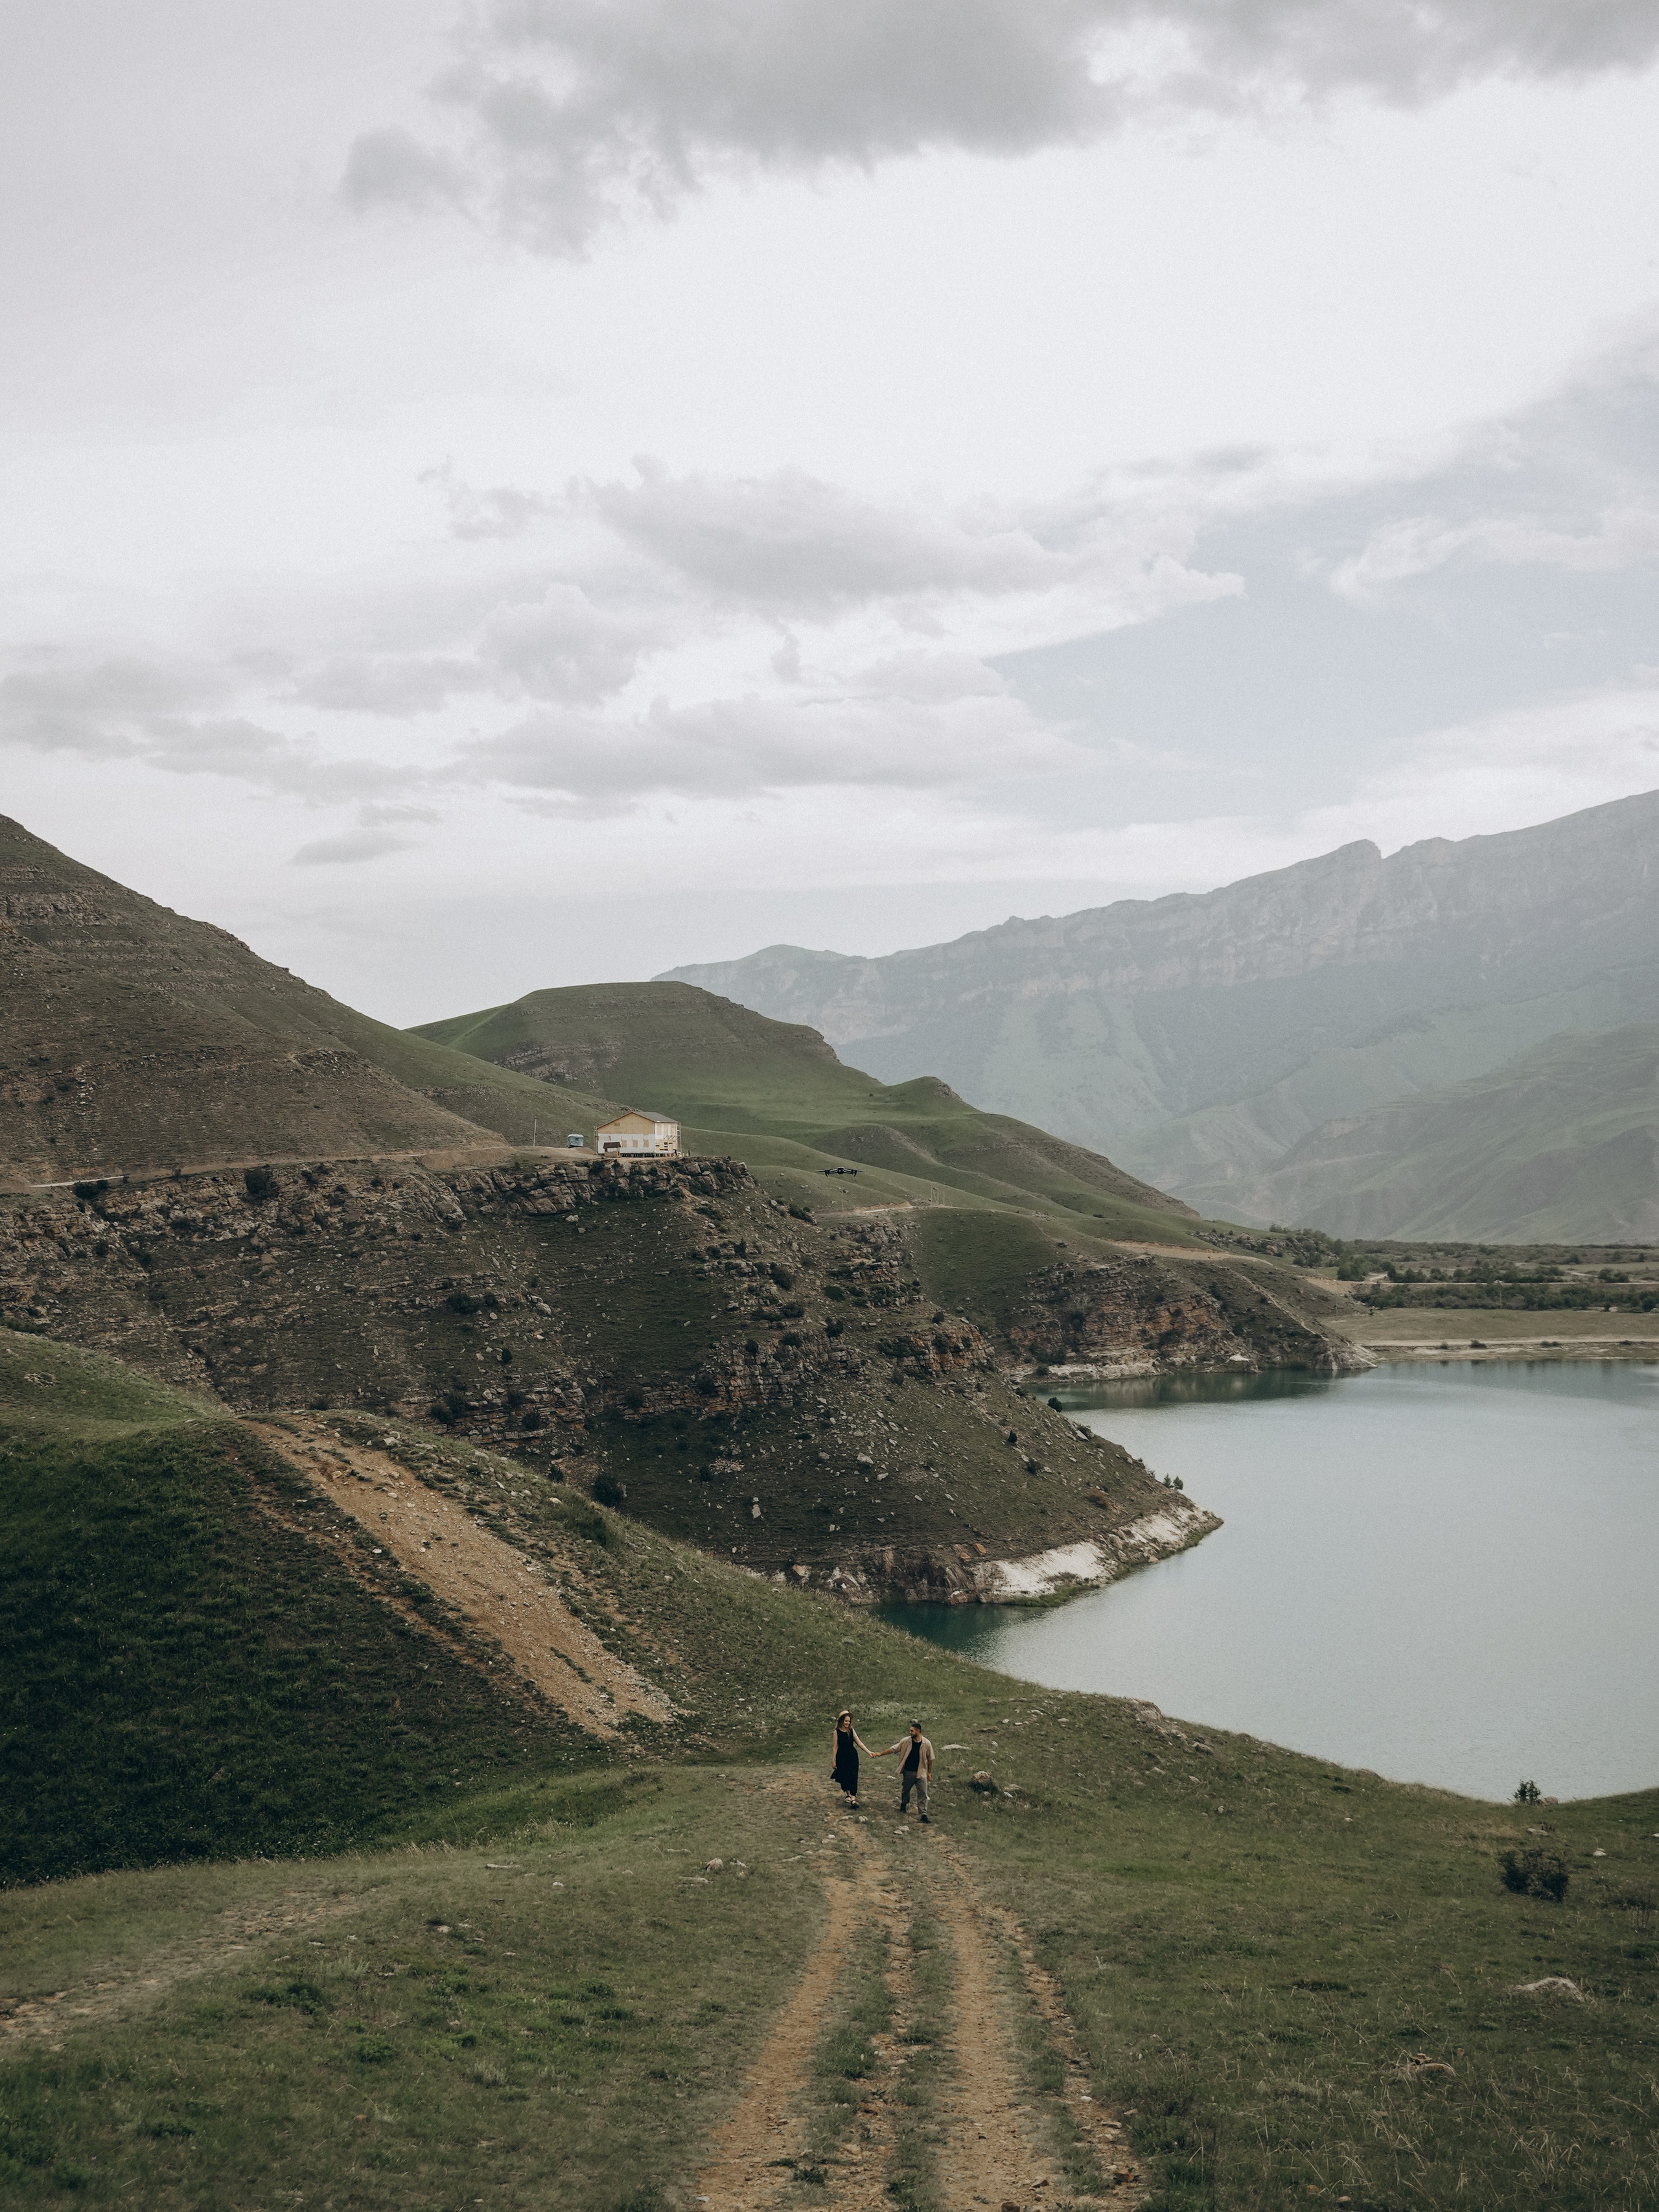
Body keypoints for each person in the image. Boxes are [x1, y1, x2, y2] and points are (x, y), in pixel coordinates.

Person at [876, 1721, 934, 1821]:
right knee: (906, 1790)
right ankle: (904, 1804)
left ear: (918, 1731)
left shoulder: (927, 1743)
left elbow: (930, 1758)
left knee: (923, 1793)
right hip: (908, 1771)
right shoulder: (906, 1741)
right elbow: (894, 1748)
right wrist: (881, 1754)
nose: (910, 1732)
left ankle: (923, 1814)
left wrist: (929, 1772)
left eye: (912, 1731)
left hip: (921, 1772)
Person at [831, 1710, 870, 1805]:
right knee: (844, 1776)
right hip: (841, 1757)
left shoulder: (851, 1731)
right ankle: (848, 1795)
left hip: (852, 1756)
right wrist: (833, 1761)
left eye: (849, 1721)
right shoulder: (836, 1732)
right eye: (846, 1721)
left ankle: (853, 1798)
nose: (848, 1723)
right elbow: (835, 1747)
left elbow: (859, 1743)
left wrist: (869, 1752)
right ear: (841, 1721)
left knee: (853, 1776)